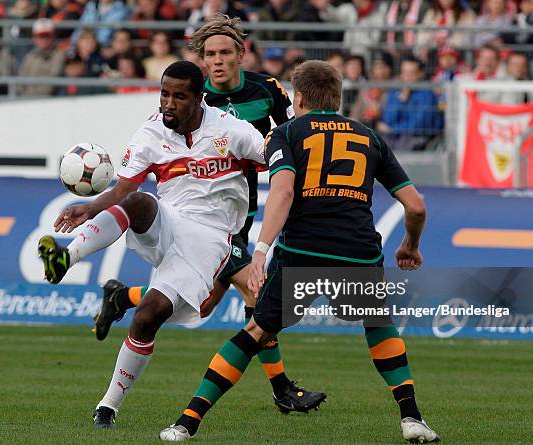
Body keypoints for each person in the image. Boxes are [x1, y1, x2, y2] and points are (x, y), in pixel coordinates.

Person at [159, 60, 439, 444]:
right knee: (378, 326)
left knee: (257, 330)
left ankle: (186, 423)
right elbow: (416, 207)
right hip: (357, 250)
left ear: (300, 97)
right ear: (338, 97)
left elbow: (284, 191)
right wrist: (410, 244)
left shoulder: (287, 133)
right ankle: (412, 418)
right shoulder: (368, 136)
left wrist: (260, 250)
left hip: (303, 248)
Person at [38, 61, 292, 428]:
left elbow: (275, 157)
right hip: (169, 220)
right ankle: (67, 255)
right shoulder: (149, 133)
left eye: (178, 96)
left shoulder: (230, 130)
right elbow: (124, 188)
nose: (168, 103)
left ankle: (107, 406)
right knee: (140, 202)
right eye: (164, 94)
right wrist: (90, 208)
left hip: (210, 238)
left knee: (148, 317)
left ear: (199, 98)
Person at [95, 14, 325, 415]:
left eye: (225, 53)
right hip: (204, 222)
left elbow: (291, 135)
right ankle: (282, 389)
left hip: (243, 210)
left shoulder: (267, 89)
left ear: (241, 54)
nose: (217, 61)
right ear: (201, 60)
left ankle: (122, 296)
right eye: (210, 54)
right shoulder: (194, 103)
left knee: (202, 307)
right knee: (258, 292)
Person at [377, 56, 443, 151]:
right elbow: (387, 120)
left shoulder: (427, 95)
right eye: (405, 73)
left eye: (412, 73)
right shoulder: (396, 91)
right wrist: (401, 101)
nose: (407, 77)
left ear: (420, 74)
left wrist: (392, 129)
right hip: (396, 136)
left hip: (419, 138)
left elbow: (419, 126)